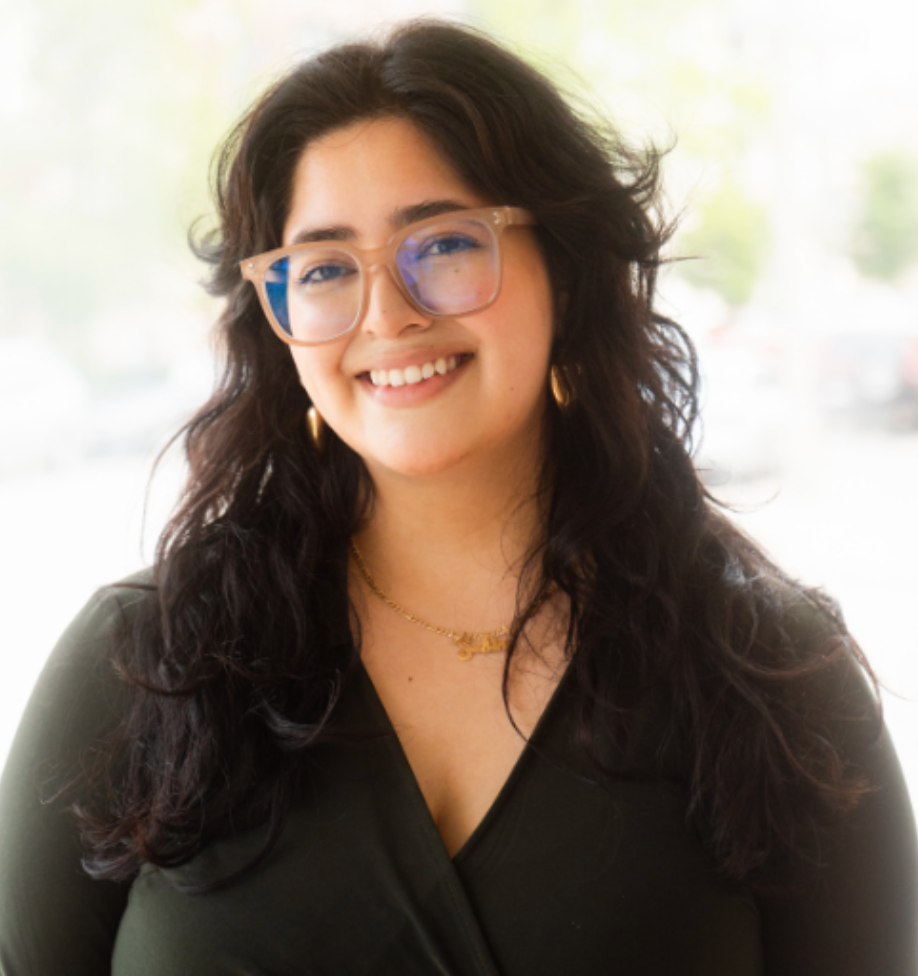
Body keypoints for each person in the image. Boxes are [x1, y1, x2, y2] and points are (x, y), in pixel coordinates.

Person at [1, 19, 915, 976]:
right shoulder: (143, 666)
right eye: (321, 268)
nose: (389, 313)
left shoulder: (770, 677)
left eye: (441, 246)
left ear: (563, 268)